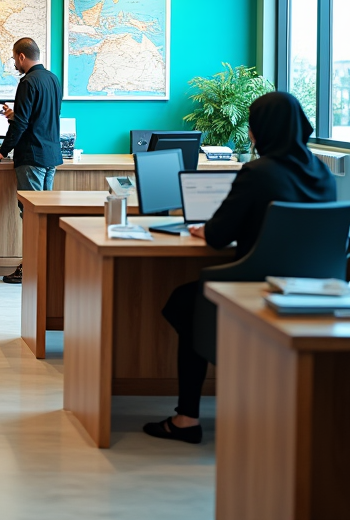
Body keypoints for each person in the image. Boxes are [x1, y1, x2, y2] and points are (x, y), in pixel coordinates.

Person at [144, 92, 336, 444]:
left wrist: (204, 229)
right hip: (313, 293)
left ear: (262, 128)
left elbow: (218, 236)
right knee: (191, 303)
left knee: (185, 303)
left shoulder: (258, 172)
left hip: (257, 290)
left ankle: (187, 418)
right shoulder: (323, 173)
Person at [0, 38, 63, 284]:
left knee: (31, 215)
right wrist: (14, 115)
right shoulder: (53, 79)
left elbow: (23, 124)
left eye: (14, 58)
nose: (15, 64)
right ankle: (46, 266)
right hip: (50, 156)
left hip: (31, 157)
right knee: (44, 215)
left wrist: (3, 150)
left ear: (21, 56)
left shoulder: (27, 82)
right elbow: (42, 117)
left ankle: (29, 267)